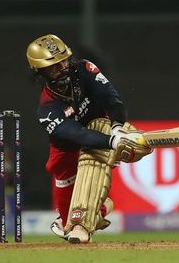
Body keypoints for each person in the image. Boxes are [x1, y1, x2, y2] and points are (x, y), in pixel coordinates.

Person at [26, 34, 152, 244]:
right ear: (40, 72)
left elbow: (112, 99)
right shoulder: (47, 109)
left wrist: (118, 128)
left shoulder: (84, 69)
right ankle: (99, 209)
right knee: (69, 224)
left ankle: (85, 220)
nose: (63, 68)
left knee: (92, 163)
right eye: (54, 67)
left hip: (99, 124)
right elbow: (78, 135)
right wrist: (112, 142)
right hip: (66, 149)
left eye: (64, 61)